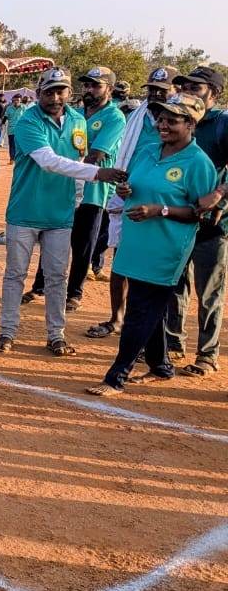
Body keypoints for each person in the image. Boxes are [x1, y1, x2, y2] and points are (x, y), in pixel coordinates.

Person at [0, 67, 126, 356]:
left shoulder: (77, 120)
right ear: (38, 92)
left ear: (68, 92)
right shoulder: (28, 121)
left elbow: (75, 160)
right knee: (15, 275)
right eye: (49, 91)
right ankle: (7, 331)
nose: (55, 97)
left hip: (61, 215)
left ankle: (56, 335)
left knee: (56, 277)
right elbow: (48, 161)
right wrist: (96, 173)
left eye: (61, 90)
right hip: (25, 212)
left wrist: (76, 200)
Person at [86, 94, 215, 396]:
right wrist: (126, 189)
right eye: (160, 118)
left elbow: (199, 212)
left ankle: (116, 376)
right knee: (148, 309)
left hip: (166, 249)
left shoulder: (198, 163)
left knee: (139, 311)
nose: (162, 125)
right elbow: (135, 184)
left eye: (172, 120)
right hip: (135, 242)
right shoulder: (147, 150)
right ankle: (161, 366)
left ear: (191, 124)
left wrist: (161, 210)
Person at [84, 67, 178, 340]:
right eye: (151, 89)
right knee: (121, 261)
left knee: (155, 269)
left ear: (175, 92)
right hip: (127, 195)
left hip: (163, 202)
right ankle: (117, 317)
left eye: (162, 90)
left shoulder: (176, 122)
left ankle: (155, 330)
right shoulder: (138, 118)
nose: (155, 94)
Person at [29, 67, 126, 312]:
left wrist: (65, 162)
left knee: (83, 243)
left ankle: (74, 293)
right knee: (52, 235)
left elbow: (94, 155)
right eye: (87, 85)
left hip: (93, 191)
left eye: (96, 85)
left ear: (110, 90)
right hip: (63, 188)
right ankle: (40, 285)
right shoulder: (76, 114)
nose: (90, 90)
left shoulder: (114, 117)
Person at [166, 66, 228, 377]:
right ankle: (173, 343)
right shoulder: (178, 120)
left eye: (197, 87)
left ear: (214, 94)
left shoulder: (221, 124)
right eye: (186, 85)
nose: (188, 90)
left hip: (213, 224)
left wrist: (219, 194)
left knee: (209, 291)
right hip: (178, 218)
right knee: (176, 284)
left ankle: (207, 354)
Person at [5, 94, 26, 161]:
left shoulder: (24, 108)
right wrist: (2, 124)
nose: (16, 101)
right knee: (12, 145)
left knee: (20, 145)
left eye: (18, 100)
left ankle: (19, 158)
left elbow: (27, 117)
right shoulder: (9, 108)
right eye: (15, 100)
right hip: (11, 129)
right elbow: (5, 117)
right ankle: (12, 158)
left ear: (20, 100)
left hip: (21, 129)